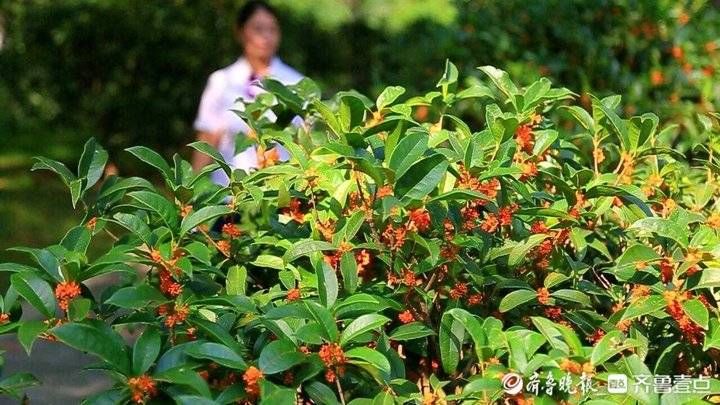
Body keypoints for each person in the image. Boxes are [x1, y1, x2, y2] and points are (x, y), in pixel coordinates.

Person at [191, 1, 303, 186]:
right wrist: (191, 192)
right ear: (240, 32)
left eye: (272, 30)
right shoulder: (221, 81)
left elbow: (303, 143)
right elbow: (207, 140)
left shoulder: (295, 83)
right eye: (258, 29)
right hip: (229, 197)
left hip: (281, 197)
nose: (266, 37)